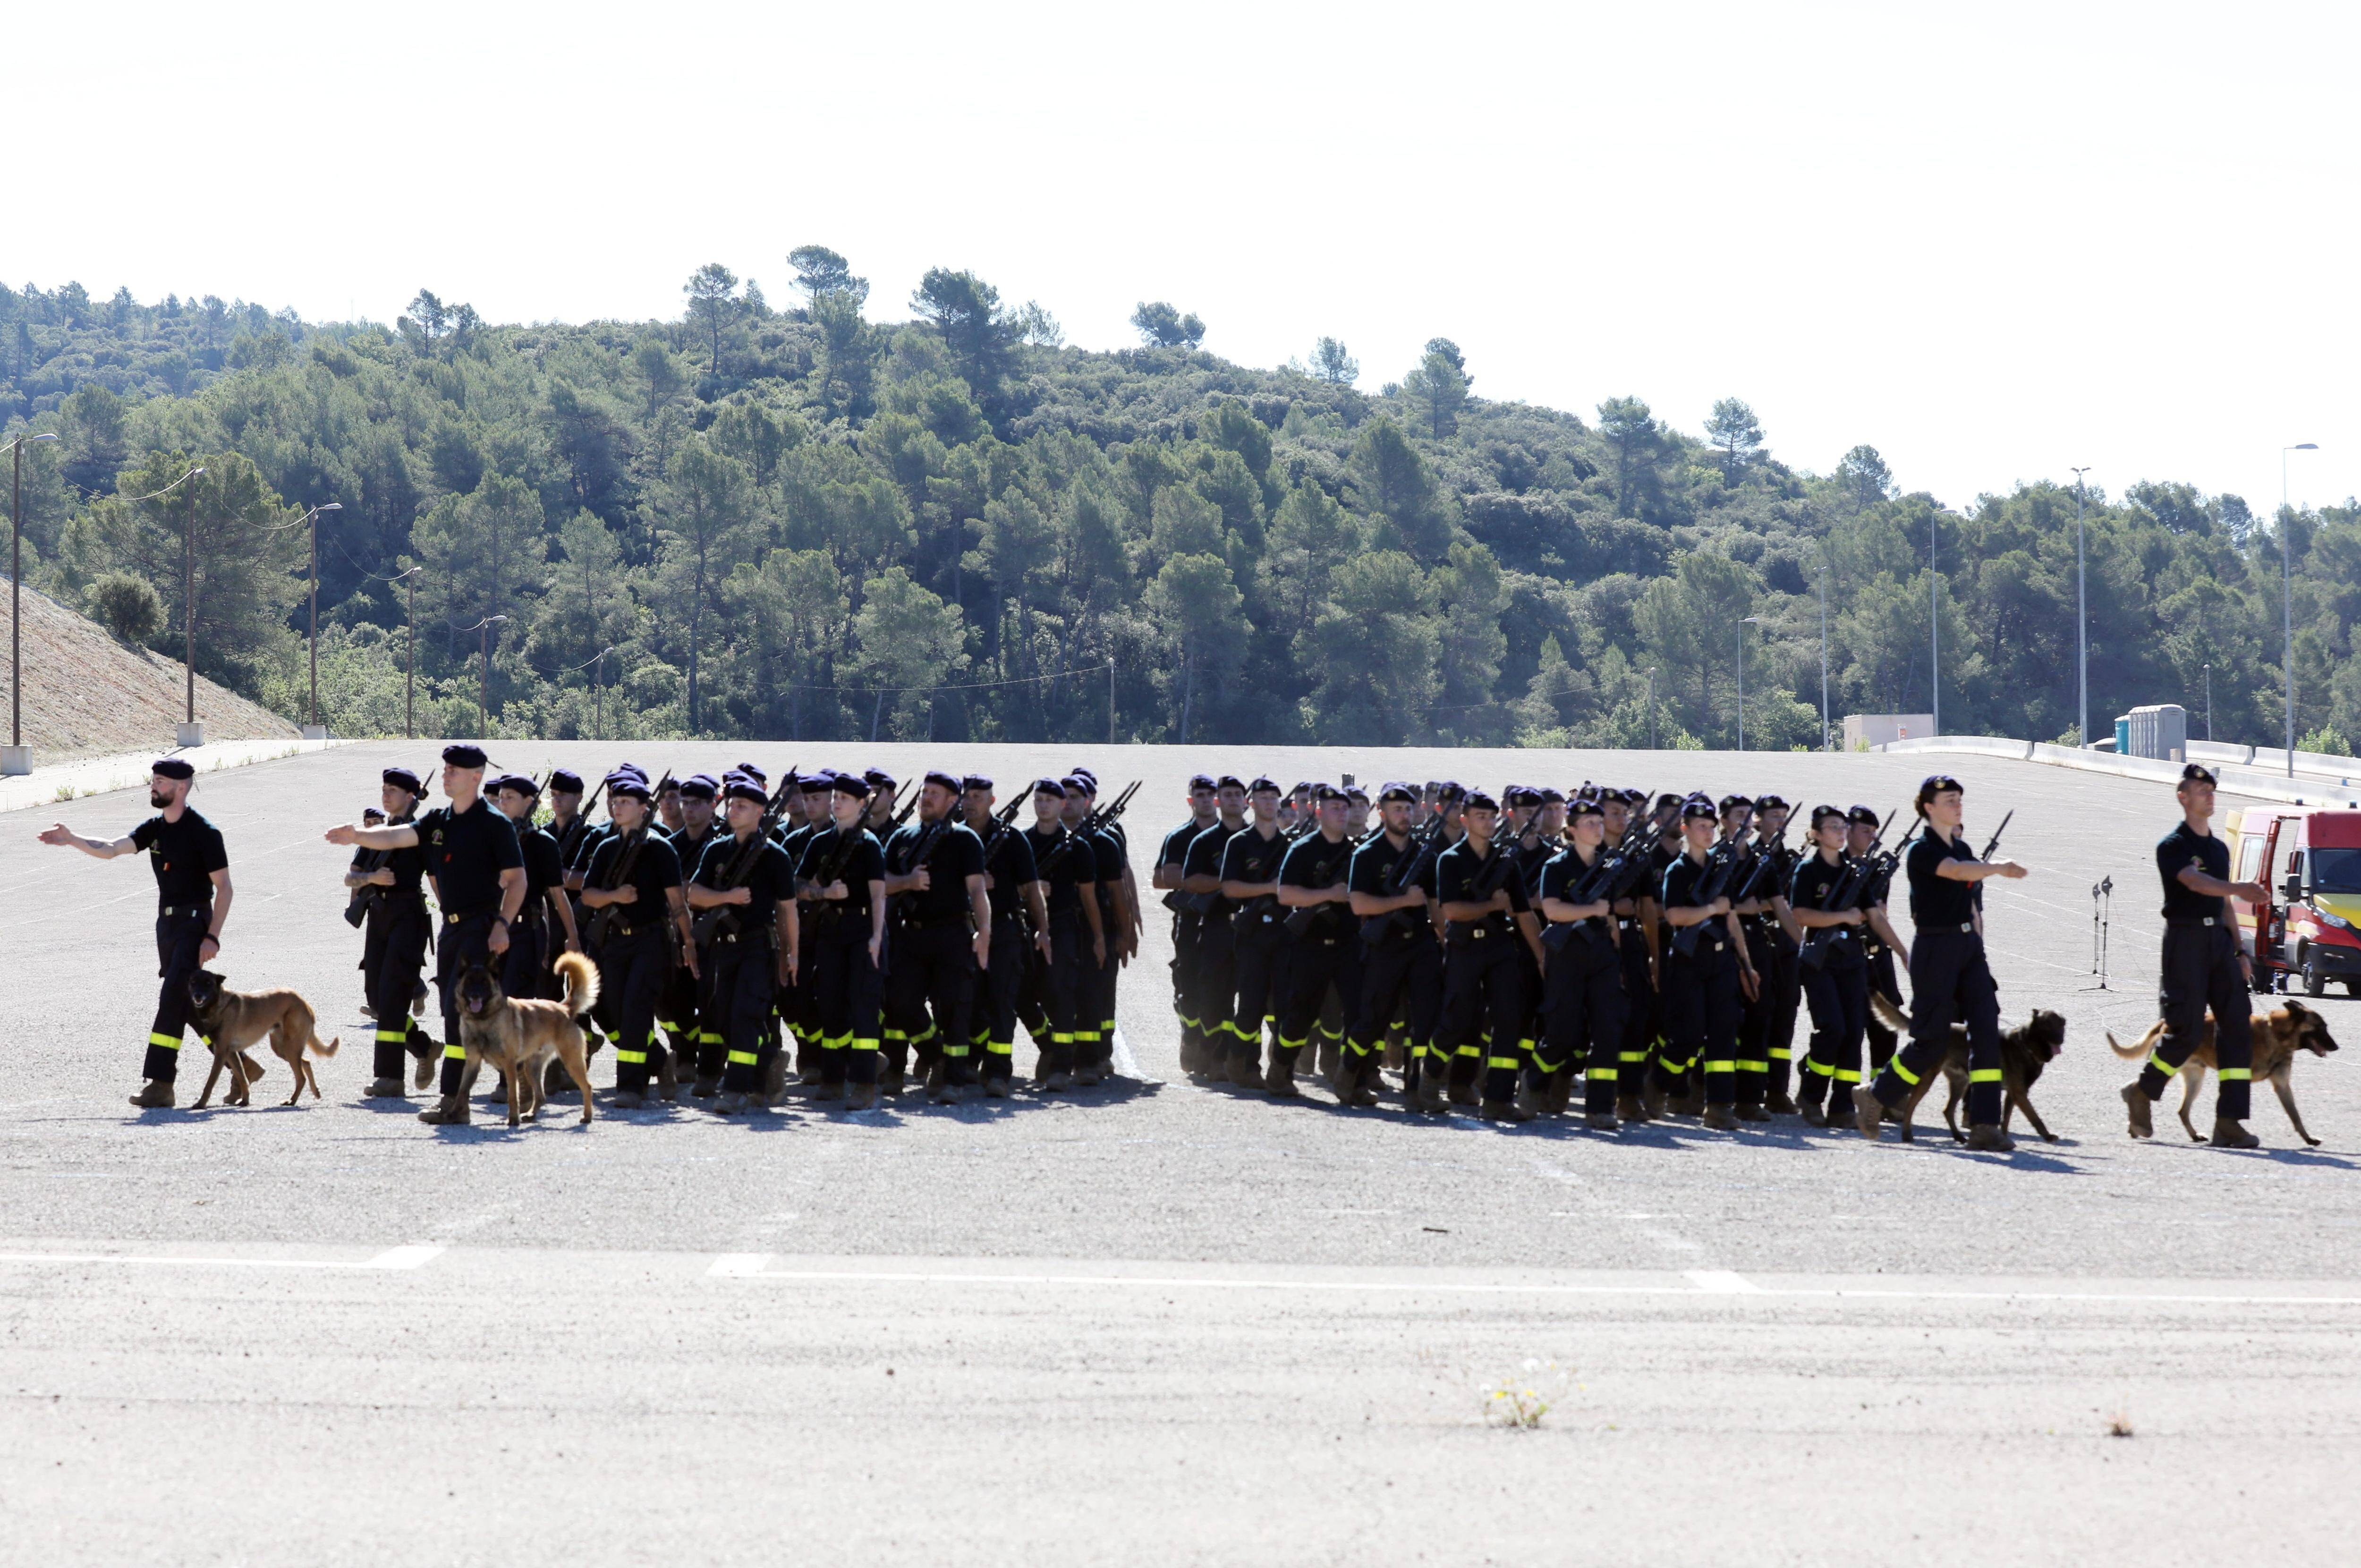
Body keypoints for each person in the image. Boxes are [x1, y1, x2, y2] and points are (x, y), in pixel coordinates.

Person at [326, 744, 525, 1126]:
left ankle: (488, 1090)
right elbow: (398, 836)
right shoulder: (438, 819)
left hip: (480, 927)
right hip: (451, 929)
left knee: (474, 1012)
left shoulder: (494, 825)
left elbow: (517, 881)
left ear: (475, 776)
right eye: (446, 768)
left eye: (454, 770)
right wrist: (357, 836)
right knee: (452, 1012)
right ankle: (455, 1101)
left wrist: (502, 925)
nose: (446, 774)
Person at [40, 757, 232, 1108]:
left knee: (170, 999)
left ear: (181, 786)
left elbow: (225, 888)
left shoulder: (205, 832)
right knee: (187, 1005)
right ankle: (241, 1065)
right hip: (168, 927)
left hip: (194, 923)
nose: (153, 786)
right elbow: (113, 849)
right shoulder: (155, 828)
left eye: (160, 781)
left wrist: (212, 936)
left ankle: (161, 1084)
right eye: (153, 780)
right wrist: (71, 839)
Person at [1852, 774, 2029, 1151]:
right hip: (1936, 947)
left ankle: (1984, 1125)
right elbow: (1956, 871)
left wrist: (1978, 946)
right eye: (1950, 800)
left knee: (1986, 1033)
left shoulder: (1963, 845)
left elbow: (1969, 897)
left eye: (1959, 799)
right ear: (1929, 807)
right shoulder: (1922, 850)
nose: (1957, 805)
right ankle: (1876, 1094)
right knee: (1930, 1041)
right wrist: (1997, 867)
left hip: (1967, 946)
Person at [2123, 763, 2271, 1147]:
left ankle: (2229, 1121)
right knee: (2186, 1031)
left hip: (2219, 944)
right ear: (2183, 797)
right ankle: (2142, 1090)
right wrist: (2240, 886)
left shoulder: (2219, 849)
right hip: (2185, 942)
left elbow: (2223, 902)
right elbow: (2195, 882)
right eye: (2201, 790)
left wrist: (2240, 951)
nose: (2209, 795)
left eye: (2212, 790)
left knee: (2238, 1027)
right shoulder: (2172, 846)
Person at [578, 769, 697, 1111]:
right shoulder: (606, 847)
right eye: (616, 801)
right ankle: (659, 1059)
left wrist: (688, 943)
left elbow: (678, 903)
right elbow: (588, 896)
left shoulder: (661, 850)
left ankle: (632, 1086)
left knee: (635, 1009)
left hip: (650, 942)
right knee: (614, 1007)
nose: (618, 807)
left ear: (645, 808)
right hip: (615, 943)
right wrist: (616, 895)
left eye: (626, 802)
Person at [686, 771, 796, 1115]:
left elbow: (788, 910)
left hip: (757, 946)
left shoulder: (775, 855)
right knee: (721, 1016)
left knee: (746, 1014)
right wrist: (729, 896)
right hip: (723, 947)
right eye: (732, 804)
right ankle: (769, 1061)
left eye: (743, 806)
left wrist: (792, 953)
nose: (734, 810)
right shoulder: (717, 848)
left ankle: (735, 1089)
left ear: (761, 811)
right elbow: (694, 894)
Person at [882, 770, 991, 1102]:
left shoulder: (964, 840)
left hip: (952, 934)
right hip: (910, 935)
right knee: (900, 1002)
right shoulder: (902, 837)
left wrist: (984, 931)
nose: (925, 797)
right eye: (924, 791)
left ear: (951, 801)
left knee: (953, 1008)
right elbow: (883, 883)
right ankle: (935, 1054)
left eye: (934, 793)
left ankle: (954, 1081)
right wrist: (908, 883)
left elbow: (977, 889)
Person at [1788, 805, 1900, 1127]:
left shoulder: (1854, 871)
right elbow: (1801, 915)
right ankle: (1811, 1096)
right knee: (1833, 1028)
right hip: (1820, 961)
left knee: (1853, 1032)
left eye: (1842, 827)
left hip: (1852, 961)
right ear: (1817, 834)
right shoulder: (1807, 871)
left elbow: (1875, 915)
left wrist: (1904, 952)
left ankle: (1842, 1105)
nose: (1840, 832)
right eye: (1833, 827)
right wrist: (1841, 917)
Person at [1435, 789, 1537, 1121]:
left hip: (1500, 948)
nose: (1488, 822)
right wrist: (1492, 905)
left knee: (1508, 1019)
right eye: (1480, 816)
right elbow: (1451, 909)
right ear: (1464, 820)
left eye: (1492, 816)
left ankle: (1499, 1098)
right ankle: (1429, 1078)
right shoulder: (1450, 859)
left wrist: (1541, 955)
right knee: (1457, 1018)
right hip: (1465, 948)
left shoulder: (1505, 859)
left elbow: (1523, 913)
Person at [1655, 793, 1750, 1130]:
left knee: (1724, 1031)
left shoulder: (1722, 866)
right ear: (1685, 828)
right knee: (1689, 1033)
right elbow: (1675, 915)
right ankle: (1658, 1085)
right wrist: (1710, 910)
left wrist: (1747, 964)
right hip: (1689, 960)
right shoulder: (1678, 870)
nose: (1708, 833)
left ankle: (1720, 1106)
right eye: (1701, 827)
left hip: (1722, 959)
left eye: (1711, 826)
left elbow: (1733, 918)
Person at [1348, 782, 1444, 1110]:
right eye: (1397, 810)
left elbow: (1434, 906)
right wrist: (1402, 901)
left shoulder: (1424, 853)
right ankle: (1352, 1079)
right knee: (1374, 1017)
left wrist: (1446, 940)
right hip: (1384, 948)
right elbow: (1359, 904)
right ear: (1382, 812)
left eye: (1408, 809)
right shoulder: (1367, 854)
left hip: (1420, 945)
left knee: (1425, 1020)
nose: (1404, 815)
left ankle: (1417, 1091)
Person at [1532, 791, 1626, 1128]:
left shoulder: (1610, 863)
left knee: (1607, 1028)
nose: (1597, 828)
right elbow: (1553, 910)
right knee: (1563, 1030)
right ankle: (1533, 1083)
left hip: (1601, 952)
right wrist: (1590, 910)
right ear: (1571, 829)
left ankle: (1600, 1107)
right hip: (1567, 953)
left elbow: (1611, 917)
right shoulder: (1557, 866)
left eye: (1600, 822)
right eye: (1589, 822)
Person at [796, 772, 889, 1108]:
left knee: (863, 1007)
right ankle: (833, 1078)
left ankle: (865, 1083)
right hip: (831, 933)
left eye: (844, 799)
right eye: (835, 797)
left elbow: (879, 897)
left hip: (863, 929)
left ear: (861, 805)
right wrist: (824, 893)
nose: (836, 802)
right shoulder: (819, 843)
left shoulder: (870, 844)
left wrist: (878, 937)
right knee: (830, 1004)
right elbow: (798, 885)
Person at [342, 766, 436, 1096]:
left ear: (410, 797)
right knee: (377, 998)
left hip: (408, 916)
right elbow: (350, 878)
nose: (385, 795)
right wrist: (372, 879)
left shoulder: (420, 833)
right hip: (378, 916)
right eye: (383, 788)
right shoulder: (376, 833)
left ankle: (389, 1077)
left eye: (392, 790)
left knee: (395, 993)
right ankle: (424, 1047)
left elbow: (437, 879)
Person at [963, 774, 1049, 1096]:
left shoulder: (1012, 838)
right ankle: (968, 1062)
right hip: (963, 928)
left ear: (991, 801)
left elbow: (1031, 889)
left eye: (978, 796)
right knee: (967, 1000)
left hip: (1003, 928)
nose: (971, 802)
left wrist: (1043, 929)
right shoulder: (955, 835)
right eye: (967, 796)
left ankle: (999, 1071)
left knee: (1002, 1001)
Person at [1276, 784, 1362, 1102]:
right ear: (1319, 811)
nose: (1342, 813)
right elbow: (1286, 894)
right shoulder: (1302, 849)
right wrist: (1327, 895)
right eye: (1335, 808)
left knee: (1358, 1013)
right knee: (1301, 1013)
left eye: (1345, 808)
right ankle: (1281, 1070)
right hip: (1311, 944)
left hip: (1348, 943)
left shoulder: (1357, 851)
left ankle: (1353, 1078)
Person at [1217, 778, 1294, 1091]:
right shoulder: (1239, 843)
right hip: (1251, 933)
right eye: (1261, 797)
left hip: (1285, 932)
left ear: (1279, 804)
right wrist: (1267, 888)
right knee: (1250, 1004)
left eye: (1272, 798)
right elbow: (1229, 888)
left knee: (1286, 1007)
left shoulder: (1291, 845)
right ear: (1252, 803)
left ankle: (1281, 1070)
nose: (1267, 802)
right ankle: (1242, 1062)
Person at [1178, 777, 1247, 1079]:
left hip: (1252, 927)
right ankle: (1209, 1048)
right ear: (1219, 801)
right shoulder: (1203, 842)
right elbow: (1190, 881)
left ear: (1247, 802)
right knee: (1213, 995)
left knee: (1248, 996)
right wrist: (1228, 884)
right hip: (1216, 925)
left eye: (1238, 795)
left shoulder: (1257, 838)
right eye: (1227, 795)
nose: (1233, 799)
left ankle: (1233, 1058)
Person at [493, 772, 581, 1007]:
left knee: (514, 1002)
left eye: (510, 797)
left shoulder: (544, 843)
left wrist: (572, 938)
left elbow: (557, 894)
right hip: (495, 925)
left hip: (525, 929)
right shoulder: (495, 838)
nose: (503, 803)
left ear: (529, 801)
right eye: (501, 798)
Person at [1737, 794, 1801, 1115]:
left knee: (1784, 1019)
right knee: (1755, 1016)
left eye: (1784, 816)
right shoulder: (1749, 856)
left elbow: (1791, 904)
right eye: (1774, 816)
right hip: (1756, 942)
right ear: (1758, 820)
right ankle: (1747, 1088)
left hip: (1785, 946)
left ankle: (1778, 1089)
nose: (1781, 822)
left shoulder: (1790, 860)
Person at [662, 773, 726, 1092]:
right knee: (674, 998)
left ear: (713, 806)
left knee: (710, 999)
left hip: (714, 932)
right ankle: (685, 1055)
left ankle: (711, 1067)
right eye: (685, 802)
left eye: (697, 803)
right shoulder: (670, 847)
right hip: (678, 931)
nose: (688, 809)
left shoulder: (721, 846)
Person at [1156, 775, 1220, 1073]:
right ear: (1191, 800)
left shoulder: (1235, 836)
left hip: (1227, 919)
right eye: (1200, 795)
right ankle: (1191, 1035)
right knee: (1188, 981)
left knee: (1223, 983)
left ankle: (1218, 1052)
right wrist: (1209, 882)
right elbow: (1164, 878)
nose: (1205, 800)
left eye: (1210, 794)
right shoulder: (1180, 838)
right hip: (1190, 920)